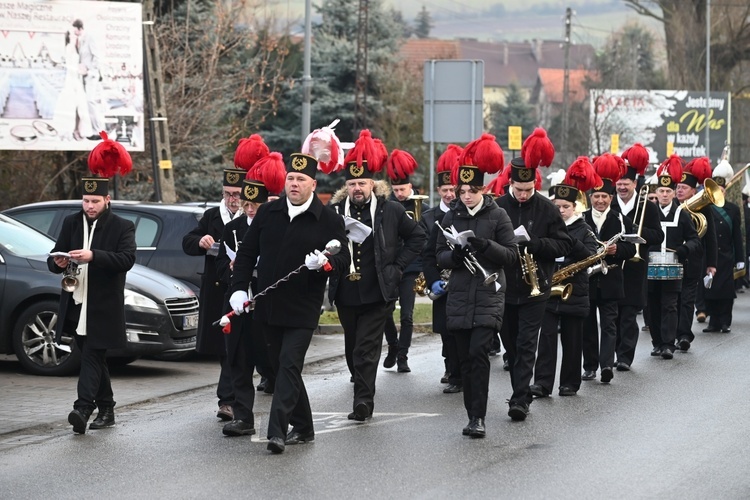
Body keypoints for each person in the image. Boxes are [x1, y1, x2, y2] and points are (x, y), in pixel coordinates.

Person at [229, 151, 349, 454]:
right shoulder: (269, 213)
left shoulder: (328, 219)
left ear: (313, 183)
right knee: (277, 367)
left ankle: (277, 431)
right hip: (267, 305)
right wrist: (239, 289)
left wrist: (324, 262)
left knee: (288, 364)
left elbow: (343, 260)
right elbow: (246, 254)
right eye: (290, 178)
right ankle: (305, 426)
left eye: (300, 179)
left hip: (302, 307)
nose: (293, 184)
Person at [328, 132, 425, 422]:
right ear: (345, 186)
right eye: (352, 184)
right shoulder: (333, 212)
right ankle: (361, 387)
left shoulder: (391, 210)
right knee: (351, 347)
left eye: (362, 183)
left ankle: (363, 402)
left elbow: (418, 237)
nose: (357, 189)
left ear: (372, 183)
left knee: (366, 348)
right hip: (345, 291)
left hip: (377, 291)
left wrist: (397, 268)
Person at [48, 135, 136, 434]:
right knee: (92, 355)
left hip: (103, 305)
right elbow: (53, 256)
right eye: (85, 201)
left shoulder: (122, 226)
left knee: (92, 355)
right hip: (75, 301)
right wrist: (58, 262)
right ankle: (107, 408)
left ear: (107, 200)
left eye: (95, 201)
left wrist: (93, 256)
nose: (89, 206)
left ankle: (83, 408)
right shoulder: (72, 222)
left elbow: (126, 260)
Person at [435, 136, 517, 437]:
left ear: (482, 189)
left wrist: (486, 245)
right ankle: (471, 413)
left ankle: (478, 418)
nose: (465, 196)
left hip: (488, 294)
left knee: (479, 353)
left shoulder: (498, 215)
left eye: (471, 191)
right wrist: (454, 256)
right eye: (462, 191)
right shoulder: (450, 215)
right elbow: (438, 255)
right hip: (458, 297)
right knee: (466, 359)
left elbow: (510, 255)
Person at [495, 128, 572, 421]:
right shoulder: (498, 207)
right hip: (504, 288)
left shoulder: (547, 209)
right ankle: (521, 389)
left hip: (535, 288)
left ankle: (519, 400)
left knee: (528, 344)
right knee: (512, 346)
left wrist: (536, 244)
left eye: (528, 190)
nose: (524, 195)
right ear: (510, 183)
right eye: (519, 189)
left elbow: (564, 244)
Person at [214, 137, 280, 437]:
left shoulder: (273, 228)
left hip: (267, 303)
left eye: (256, 205)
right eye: (247, 204)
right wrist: (231, 270)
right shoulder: (232, 229)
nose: (250, 210)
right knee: (238, 360)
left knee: (273, 362)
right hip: (239, 302)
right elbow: (218, 265)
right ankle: (243, 415)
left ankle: (285, 414)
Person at [183, 166, 246, 421]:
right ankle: (228, 400)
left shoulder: (251, 215)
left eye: (237, 194)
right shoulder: (212, 216)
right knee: (225, 348)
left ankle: (238, 395)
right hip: (218, 289)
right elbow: (187, 241)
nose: (233, 199)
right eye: (228, 193)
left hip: (244, 289)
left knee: (241, 347)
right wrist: (201, 241)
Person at [531, 158, 598, 397]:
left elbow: (592, 255)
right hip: (549, 288)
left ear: (575, 208)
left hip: (575, 290)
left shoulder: (584, 228)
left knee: (572, 341)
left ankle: (570, 382)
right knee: (546, 340)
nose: (560, 211)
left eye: (565, 207)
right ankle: (542, 383)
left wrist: (570, 242)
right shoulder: (546, 226)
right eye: (557, 206)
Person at [581, 154, 636, 384]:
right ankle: (590, 366)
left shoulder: (620, 219)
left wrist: (617, 251)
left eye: (604, 196)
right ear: (590, 197)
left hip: (612, 278)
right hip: (588, 279)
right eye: (596, 196)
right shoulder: (582, 218)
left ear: (611, 197)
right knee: (588, 325)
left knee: (609, 324)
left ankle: (606, 365)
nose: (600, 200)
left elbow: (631, 248)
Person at [610, 144, 663, 371]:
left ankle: (624, 357)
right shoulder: (609, 204)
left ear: (634, 184)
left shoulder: (647, 207)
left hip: (634, 268)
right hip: (612, 267)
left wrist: (635, 231)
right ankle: (613, 352)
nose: (622, 186)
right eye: (619, 183)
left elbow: (658, 235)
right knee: (612, 316)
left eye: (626, 183)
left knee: (629, 316)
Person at [647, 159, 701, 358]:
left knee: (669, 305)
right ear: (657, 192)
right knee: (652, 305)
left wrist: (684, 249)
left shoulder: (681, 214)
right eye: (661, 191)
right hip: (651, 267)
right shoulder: (648, 212)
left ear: (673, 193)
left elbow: (694, 239)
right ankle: (657, 342)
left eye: (668, 191)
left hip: (672, 267)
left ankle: (669, 344)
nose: (664, 195)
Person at [383, 150, 430, 373]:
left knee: (407, 314)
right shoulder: (385, 207)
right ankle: (393, 345)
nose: (399, 194)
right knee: (385, 311)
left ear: (411, 186)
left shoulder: (423, 208)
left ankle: (403, 356)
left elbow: (427, 238)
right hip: (390, 266)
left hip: (411, 268)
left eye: (403, 189)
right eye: (395, 190)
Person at [421, 145, 461, 392]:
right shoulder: (431, 217)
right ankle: (451, 368)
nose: (449, 194)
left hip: (463, 281)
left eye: (452, 189)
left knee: (460, 330)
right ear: (439, 191)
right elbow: (427, 253)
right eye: (444, 190)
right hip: (443, 282)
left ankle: (459, 372)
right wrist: (432, 280)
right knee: (447, 330)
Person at [673, 157, 718, 351]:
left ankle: (684, 334)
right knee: (671, 299)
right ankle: (671, 334)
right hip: (672, 259)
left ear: (694, 191)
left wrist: (712, 264)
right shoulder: (671, 205)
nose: (679, 190)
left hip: (693, 260)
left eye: (684, 187)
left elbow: (711, 237)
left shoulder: (704, 208)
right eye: (678, 187)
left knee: (687, 299)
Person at [702, 161, 743, 333]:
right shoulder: (706, 207)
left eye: (722, 189)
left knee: (726, 291)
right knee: (710, 290)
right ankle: (713, 322)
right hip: (710, 255)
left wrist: (740, 259)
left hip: (726, 256)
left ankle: (725, 321)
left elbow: (737, 236)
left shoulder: (732, 209)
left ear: (725, 190)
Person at [53, 31, 92, 141]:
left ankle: (78, 130)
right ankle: (69, 131)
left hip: (77, 79)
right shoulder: (70, 48)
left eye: (75, 35)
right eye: (72, 36)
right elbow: (69, 65)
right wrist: (78, 70)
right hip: (72, 79)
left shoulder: (78, 47)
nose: (74, 37)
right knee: (71, 105)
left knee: (80, 106)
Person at [72, 19, 105, 140]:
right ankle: (92, 129)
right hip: (83, 76)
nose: (74, 32)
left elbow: (97, 56)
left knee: (91, 101)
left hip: (91, 75)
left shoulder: (90, 38)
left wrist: (91, 71)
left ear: (80, 28)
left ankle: (99, 131)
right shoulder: (79, 41)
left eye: (75, 30)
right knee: (85, 102)